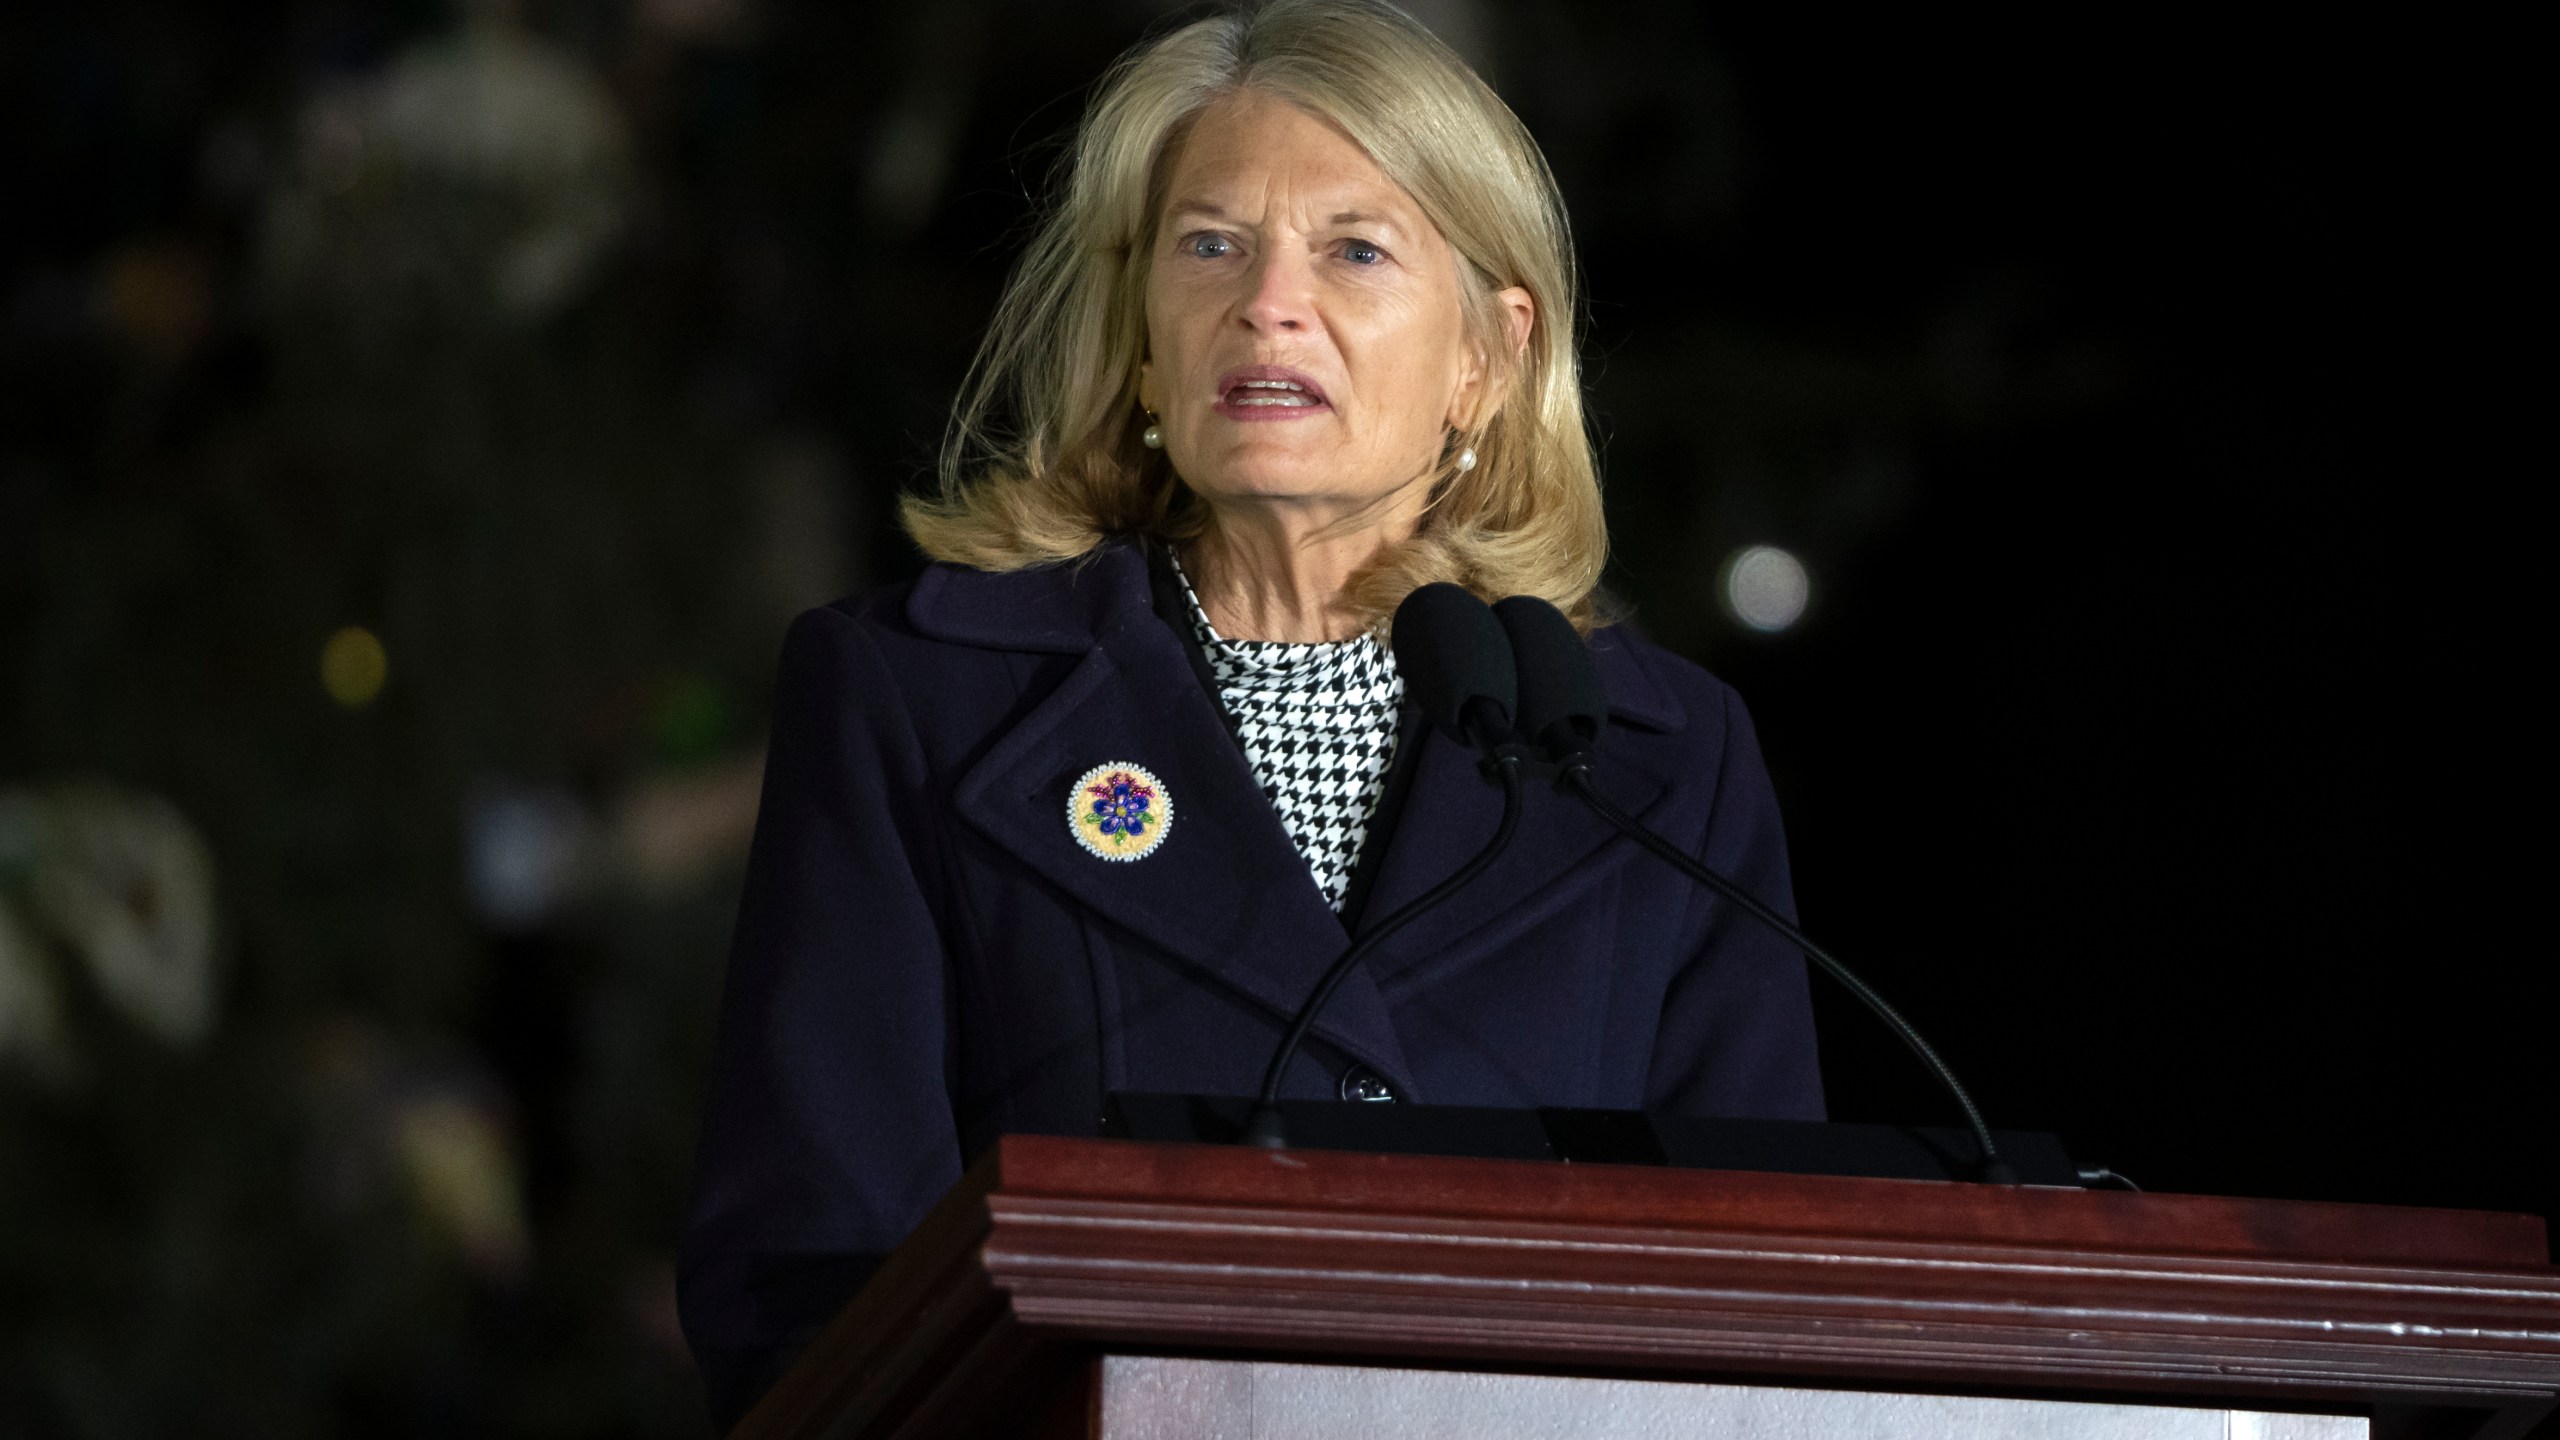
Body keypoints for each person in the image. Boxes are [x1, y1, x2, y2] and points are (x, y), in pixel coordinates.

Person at [677, 1, 1822, 1426]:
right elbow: (806, 1277)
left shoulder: (1656, 755)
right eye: (1210, 244)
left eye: (1354, 249)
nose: (1267, 302)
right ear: (1146, 340)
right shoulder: (918, 699)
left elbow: (1772, 1306)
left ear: (1489, 353)